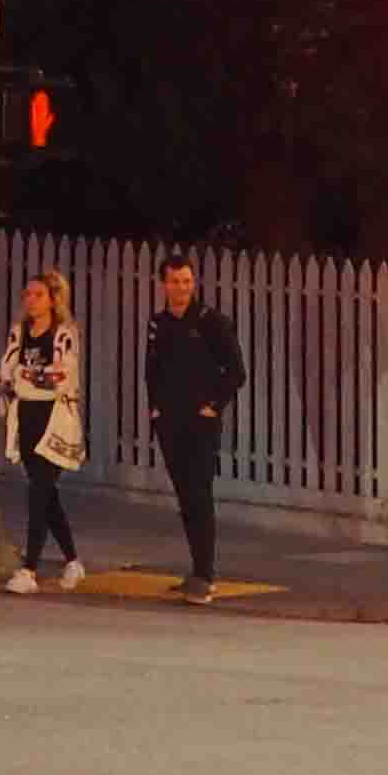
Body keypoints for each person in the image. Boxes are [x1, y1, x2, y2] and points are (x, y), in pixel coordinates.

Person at [142, 248, 247, 604]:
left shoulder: (210, 321)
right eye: (175, 281)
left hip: (201, 422)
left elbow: (236, 371)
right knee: (185, 496)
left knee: (199, 493)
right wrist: (155, 409)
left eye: (187, 281)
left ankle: (205, 575)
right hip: (170, 421)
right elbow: (152, 370)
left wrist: (212, 406)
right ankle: (196, 569)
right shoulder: (158, 323)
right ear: (163, 284)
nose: (182, 288)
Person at [0, 269, 89, 595]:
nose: (31, 300)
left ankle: (29, 569)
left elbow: (61, 378)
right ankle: (73, 561)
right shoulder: (19, 332)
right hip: (27, 417)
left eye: (38, 295)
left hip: (55, 419)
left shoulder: (63, 334)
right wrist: (31, 378)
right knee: (46, 494)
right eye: (28, 294)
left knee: (38, 493)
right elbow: (6, 373)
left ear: (52, 299)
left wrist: (28, 377)